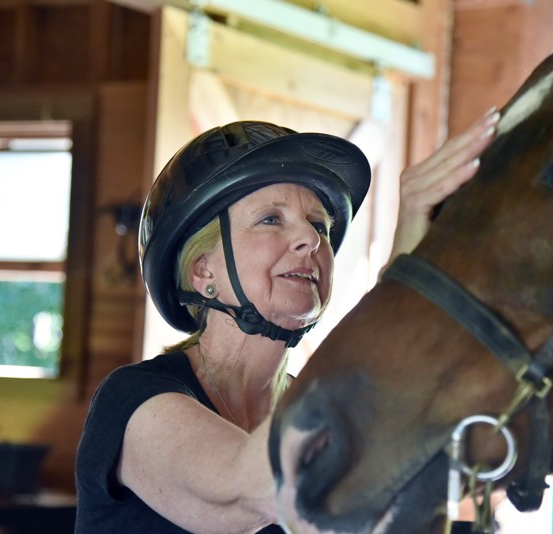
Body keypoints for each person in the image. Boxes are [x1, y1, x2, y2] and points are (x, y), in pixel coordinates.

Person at [74, 110, 499, 533]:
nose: (313, 240)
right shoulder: (132, 402)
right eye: (270, 219)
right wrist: (401, 283)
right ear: (203, 271)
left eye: (318, 224)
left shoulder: (315, 406)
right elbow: (247, 488)